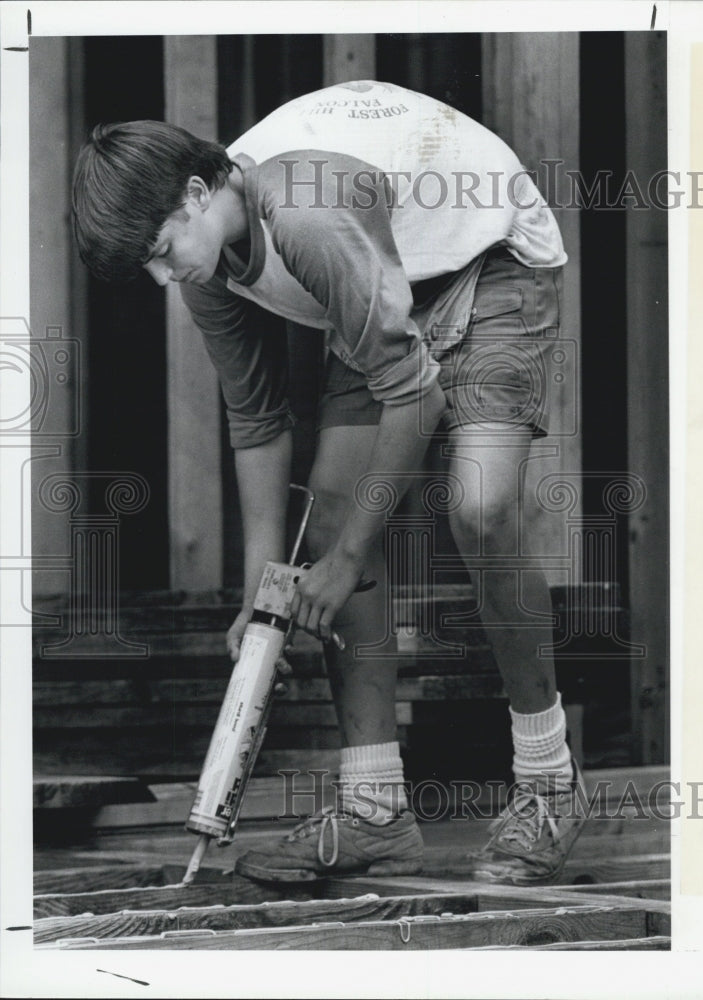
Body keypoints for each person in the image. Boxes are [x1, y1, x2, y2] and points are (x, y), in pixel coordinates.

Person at [72, 79, 586, 885]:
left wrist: (348, 562)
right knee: (329, 513)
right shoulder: (207, 260)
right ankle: (374, 810)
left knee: (480, 509)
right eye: (146, 265)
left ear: (198, 192)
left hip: (488, 266)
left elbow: (411, 394)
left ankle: (547, 782)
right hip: (382, 282)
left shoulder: (305, 210)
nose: (163, 278)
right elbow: (258, 421)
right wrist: (262, 599)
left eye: (162, 250)